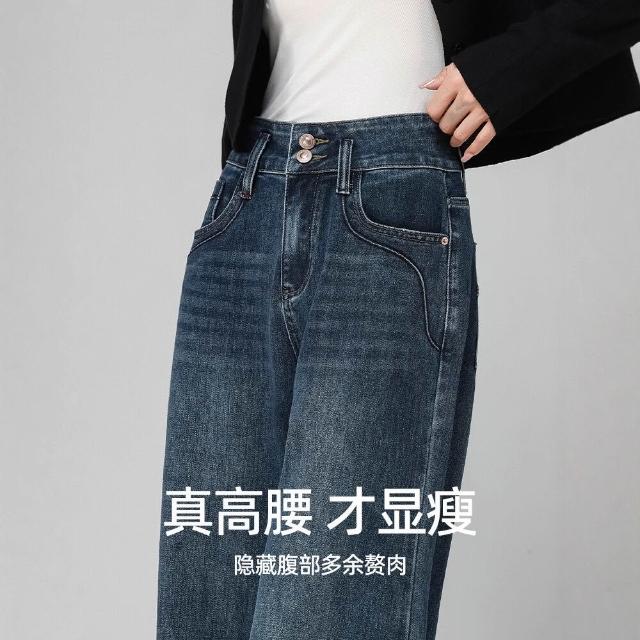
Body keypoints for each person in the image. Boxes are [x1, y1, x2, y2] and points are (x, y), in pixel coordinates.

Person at [156, 2, 640, 639]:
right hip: (248, 193)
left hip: (389, 198)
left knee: (327, 606)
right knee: (204, 598)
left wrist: (515, 65)